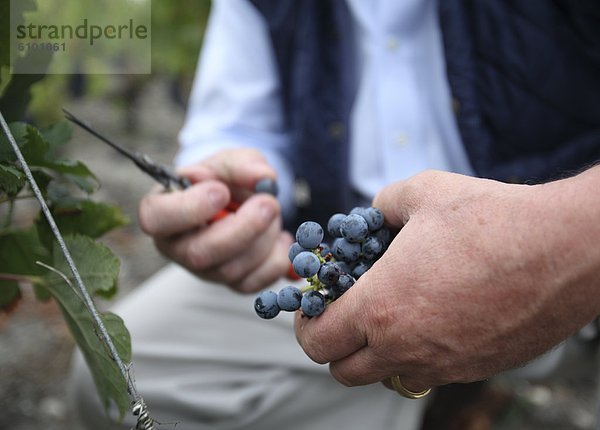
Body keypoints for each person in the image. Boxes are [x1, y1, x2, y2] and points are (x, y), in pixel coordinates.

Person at [69, 0, 600, 429]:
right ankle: (426, 398)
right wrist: (235, 187)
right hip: (349, 268)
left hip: (566, 248)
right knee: (114, 379)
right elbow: (239, 127)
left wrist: (559, 244)